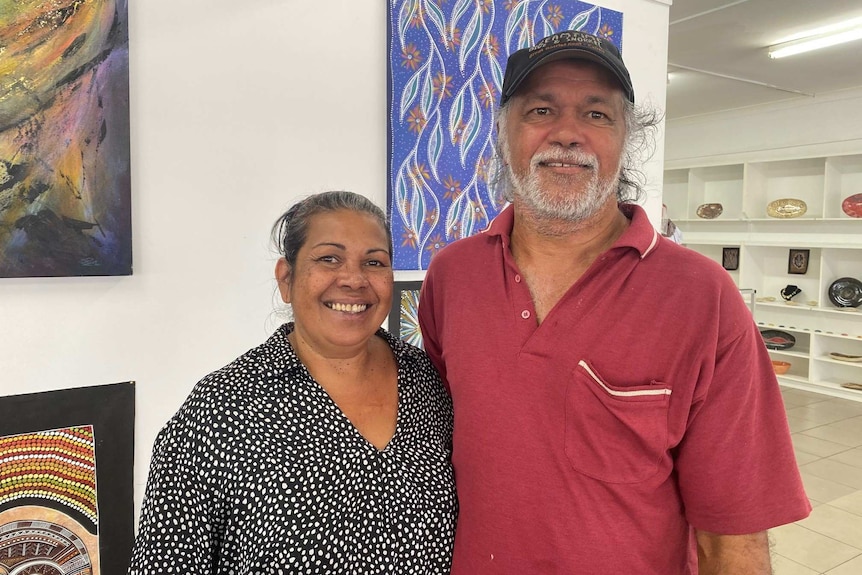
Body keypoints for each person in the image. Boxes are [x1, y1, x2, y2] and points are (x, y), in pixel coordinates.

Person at [418, 30, 810, 574]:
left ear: (628, 139)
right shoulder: (452, 275)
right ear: (504, 135)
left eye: (597, 115)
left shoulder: (702, 295)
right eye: (540, 110)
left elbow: (734, 531)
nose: (568, 134)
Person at [129, 191, 457, 574]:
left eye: (374, 262)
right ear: (287, 278)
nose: (354, 279)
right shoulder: (220, 410)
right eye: (328, 258)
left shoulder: (430, 384)